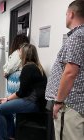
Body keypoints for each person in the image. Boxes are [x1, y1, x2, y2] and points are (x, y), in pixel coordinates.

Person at [45, 1, 84, 140]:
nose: (65, 16)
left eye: (66, 14)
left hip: (70, 105)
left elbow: (70, 72)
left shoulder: (77, 36)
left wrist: (58, 102)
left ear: (71, 14)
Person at [0, 43, 47, 140]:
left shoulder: (28, 68)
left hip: (32, 103)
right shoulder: (36, 66)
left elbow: (21, 93)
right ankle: (11, 135)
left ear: (25, 54)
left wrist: (7, 99)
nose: (18, 53)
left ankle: (3, 138)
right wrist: (8, 100)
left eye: (20, 51)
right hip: (36, 102)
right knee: (4, 109)